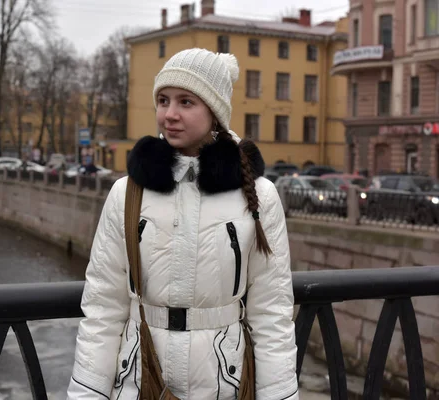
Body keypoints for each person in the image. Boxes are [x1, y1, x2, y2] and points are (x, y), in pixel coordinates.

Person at [67, 48, 298, 399]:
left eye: (186, 102)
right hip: (141, 380)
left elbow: (271, 312)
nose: (169, 114)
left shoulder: (259, 196)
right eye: (163, 100)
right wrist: (87, 393)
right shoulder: (127, 193)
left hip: (223, 383)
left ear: (216, 112)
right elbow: (103, 306)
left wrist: (279, 395)